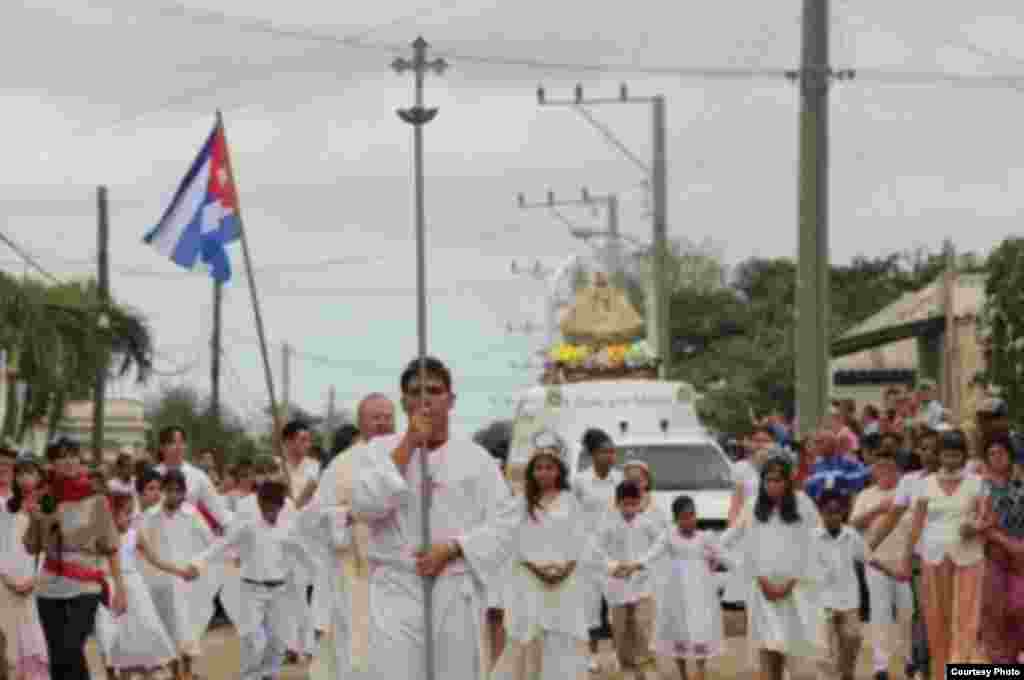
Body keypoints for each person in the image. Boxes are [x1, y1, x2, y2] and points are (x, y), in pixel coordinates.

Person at [347, 356, 519, 679]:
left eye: (435, 390)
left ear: (451, 400)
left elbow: (505, 524)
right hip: (396, 587)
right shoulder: (378, 450)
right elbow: (365, 505)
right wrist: (410, 443)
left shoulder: (477, 459)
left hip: (453, 586)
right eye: (415, 392)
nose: (424, 399)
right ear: (403, 401)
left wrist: (454, 548)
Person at [185, 480, 316, 680]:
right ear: (259, 505)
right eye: (263, 507)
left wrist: (318, 573)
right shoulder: (248, 527)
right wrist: (198, 562)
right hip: (251, 591)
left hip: (279, 591)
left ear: (281, 507)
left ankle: (268, 675)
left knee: (278, 643)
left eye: (272, 508)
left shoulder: (288, 529)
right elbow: (222, 544)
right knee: (254, 642)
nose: (267, 512)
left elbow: (304, 553)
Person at [23, 438, 127, 680]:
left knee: (71, 647)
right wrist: (36, 517)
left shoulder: (97, 498)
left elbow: (111, 546)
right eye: (61, 456)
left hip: (86, 582)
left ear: (80, 460)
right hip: (49, 585)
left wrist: (120, 587)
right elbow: (32, 547)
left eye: (73, 455)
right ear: (52, 463)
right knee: (58, 656)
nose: (68, 461)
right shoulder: (45, 497)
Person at [719, 455, 828, 680]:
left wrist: (792, 581)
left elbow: (819, 541)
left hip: (798, 590)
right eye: (768, 480)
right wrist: (755, 576)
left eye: (778, 480)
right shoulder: (752, 506)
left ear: (788, 481)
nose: (773, 485)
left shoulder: (803, 503)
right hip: (763, 592)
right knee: (769, 659)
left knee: (801, 664)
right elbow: (725, 543)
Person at [491, 430, 588, 680]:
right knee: (531, 638)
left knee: (560, 639)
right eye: (539, 468)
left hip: (564, 582)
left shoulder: (570, 501)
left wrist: (565, 569)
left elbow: (580, 539)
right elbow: (513, 539)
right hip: (531, 580)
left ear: (559, 471)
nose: (544, 473)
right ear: (531, 472)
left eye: (549, 467)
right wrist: (537, 568)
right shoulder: (522, 502)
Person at [904, 429, 986, 680]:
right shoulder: (925, 484)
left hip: (969, 557)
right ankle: (941, 674)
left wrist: (975, 527)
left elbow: (987, 518)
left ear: (964, 456)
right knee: (936, 619)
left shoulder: (977, 482)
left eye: (956, 455)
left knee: (966, 619)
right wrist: (907, 557)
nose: (951, 460)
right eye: (946, 455)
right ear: (939, 455)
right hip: (933, 557)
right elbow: (916, 525)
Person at [621, 494, 727, 680]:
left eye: (692, 515)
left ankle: (700, 671)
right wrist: (634, 565)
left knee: (701, 627)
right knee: (680, 629)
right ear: (676, 519)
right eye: (684, 517)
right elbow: (652, 554)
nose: (689, 520)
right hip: (677, 592)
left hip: (701, 592)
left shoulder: (705, 537)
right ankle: (683, 674)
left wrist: (742, 567)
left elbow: (724, 556)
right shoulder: (669, 536)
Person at [141, 468, 222, 680]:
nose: (174, 495)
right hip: (158, 584)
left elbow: (211, 544)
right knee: (165, 632)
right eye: (169, 490)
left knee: (187, 630)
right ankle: (173, 672)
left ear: (184, 492)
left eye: (178, 491)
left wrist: (197, 566)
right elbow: (143, 551)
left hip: (187, 583)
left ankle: (185, 673)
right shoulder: (150, 516)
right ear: (163, 491)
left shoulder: (192, 514)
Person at [94, 492, 181, 680]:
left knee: (148, 627)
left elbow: (155, 559)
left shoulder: (135, 534)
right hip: (110, 585)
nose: (129, 517)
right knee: (113, 634)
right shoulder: (102, 537)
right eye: (125, 512)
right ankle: (117, 673)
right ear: (112, 513)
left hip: (135, 585)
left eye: (130, 512)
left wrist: (179, 570)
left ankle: (163, 668)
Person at [850, 448, 914, 680]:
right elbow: (853, 525)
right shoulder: (866, 495)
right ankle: (881, 666)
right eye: (880, 467)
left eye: (890, 467)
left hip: (904, 562)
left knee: (907, 611)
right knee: (880, 613)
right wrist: (878, 509)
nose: (885, 472)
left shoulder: (907, 493)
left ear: (898, 469)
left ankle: (910, 659)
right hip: (875, 562)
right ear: (874, 471)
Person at [592, 481, 662, 680]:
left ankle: (646, 665)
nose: (630, 509)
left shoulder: (646, 522)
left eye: (634, 504)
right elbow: (596, 549)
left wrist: (641, 563)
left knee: (642, 624)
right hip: (617, 583)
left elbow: (659, 544)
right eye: (625, 504)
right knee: (621, 627)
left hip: (641, 582)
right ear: (617, 502)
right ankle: (627, 667)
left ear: (639, 502)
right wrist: (613, 566)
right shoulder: (607, 524)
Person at [573, 427, 622, 671]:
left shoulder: (620, 480)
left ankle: (615, 653)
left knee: (615, 605)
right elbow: (572, 517)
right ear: (593, 455)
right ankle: (590, 656)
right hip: (588, 554)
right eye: (605, 452)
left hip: (615, 551)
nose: (610, 456)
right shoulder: (579, 481)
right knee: (590, 607)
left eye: (613, 452)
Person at [977, 433, 1024, 664]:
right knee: (994, 615)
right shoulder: (980, 487)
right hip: (993, 555)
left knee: (1019, 609)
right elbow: (982, 523)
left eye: (1001, 452)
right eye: (991, 454)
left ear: (1010, 455)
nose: (996, 458)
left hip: (1021, 557)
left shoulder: (1021, 483)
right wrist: (1007, 543)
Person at [0, 454, 48, 680]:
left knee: (32, 644)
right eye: (20, 473)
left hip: (34, 586)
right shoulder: (7, 508)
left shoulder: (47, 508)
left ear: (40, 476)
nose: (25, 478)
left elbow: (47, 549)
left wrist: (34, 580)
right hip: (5, 583)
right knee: (8, 646)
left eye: (30, 473)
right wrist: (5, 577)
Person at [814, 490, 866, 680]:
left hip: (849, 599)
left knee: (852, 639)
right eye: (828, 512)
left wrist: (892, 570)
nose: (833, 516)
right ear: (821, 512)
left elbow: (868, 558)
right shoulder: (812, 537)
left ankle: (847, 673)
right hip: (822, 600)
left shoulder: (852, 535)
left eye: (837, 512)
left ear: (843, 512)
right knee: (823, 648)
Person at [154, 427, 231, 534]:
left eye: (181, 443)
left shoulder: (198, 476)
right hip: (158, 535)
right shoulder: (152, 475)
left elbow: (220, 512)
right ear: (162, 447)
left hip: (188, 537)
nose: (178, 447)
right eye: (172, 442)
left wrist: (234, 528)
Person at [283, 421, 320, 510]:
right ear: (288, 442)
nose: (308, 445)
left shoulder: (315, 466)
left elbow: (309, 492)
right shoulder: (277, 466)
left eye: (309, 440)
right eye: (303, 440)